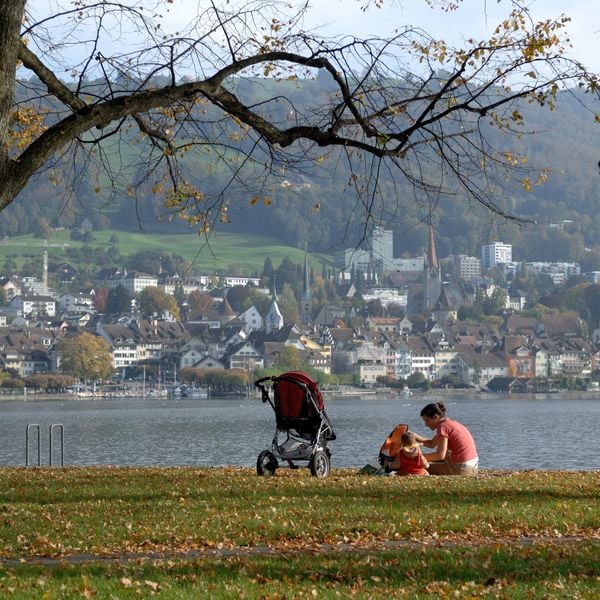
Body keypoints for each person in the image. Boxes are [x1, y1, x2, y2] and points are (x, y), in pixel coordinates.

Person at [412, 402, 479, 476]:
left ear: (435, 417)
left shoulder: (443, 427)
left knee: (417, 467)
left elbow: (440, 455)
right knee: (427, 462)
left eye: (427, 421)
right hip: (473, 467)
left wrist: (416, 458)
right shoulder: (448, 423)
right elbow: (431, 444)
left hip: (462, 469)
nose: (426, 424)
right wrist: (413, 436)